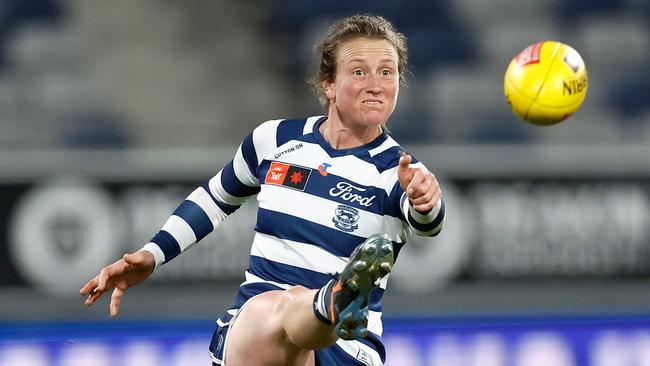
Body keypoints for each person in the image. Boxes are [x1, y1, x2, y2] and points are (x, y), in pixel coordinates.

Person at [80, 14, 445, 366]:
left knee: (286, 309)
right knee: (278, 308)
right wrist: (152, 254)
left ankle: (329, 304)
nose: (376, 84)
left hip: (348, 352)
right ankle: (329, 302)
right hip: (258, 334)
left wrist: (426, 203)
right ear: (328, 84)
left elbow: (428, 221)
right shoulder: (274, 140)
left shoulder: (401, 172)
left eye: (387, 72)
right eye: (359, 71)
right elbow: (214, 199)